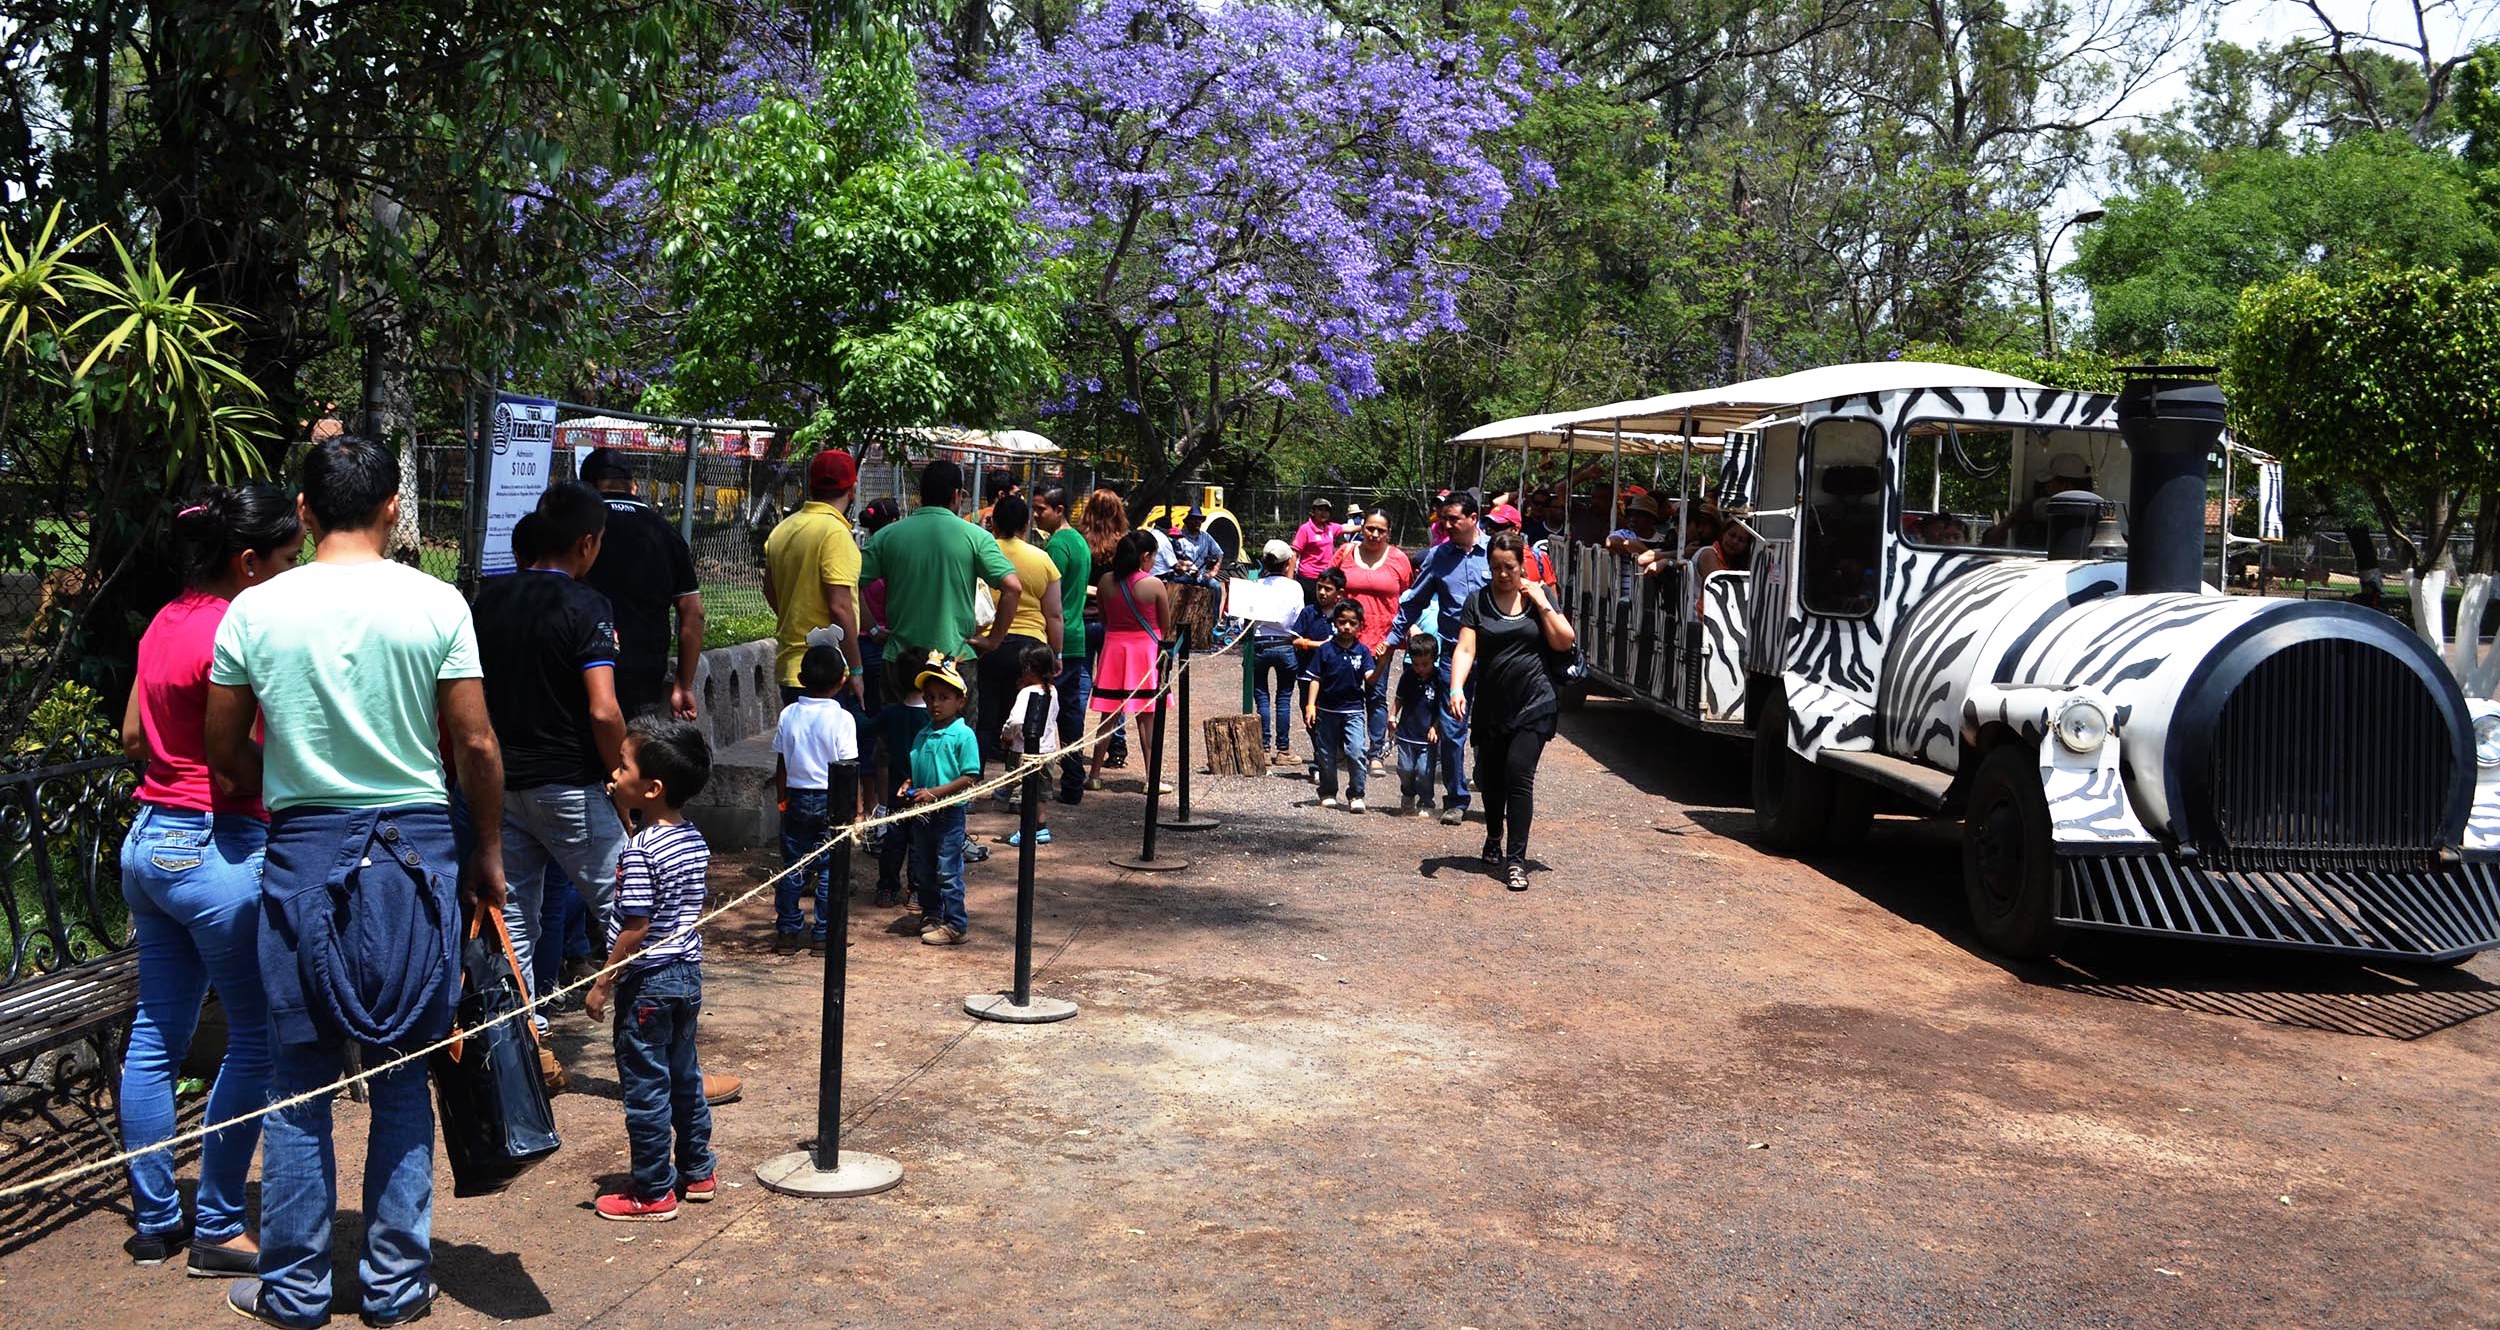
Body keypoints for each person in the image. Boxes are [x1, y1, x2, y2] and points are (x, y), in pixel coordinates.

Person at [206, 436, 506, 1330]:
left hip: (303, 851)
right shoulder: (437, 603)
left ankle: (295, 1292)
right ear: (392, 510)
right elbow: (478, 746)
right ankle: (395, 1285)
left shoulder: (254, 613)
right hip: (416, 855)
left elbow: (222, 752)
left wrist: (293, 787)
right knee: (406, 1075)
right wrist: (485, 853)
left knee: (298, 1084)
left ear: (301, 510)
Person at [115, 484, 300, 1275]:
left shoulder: (164, 620)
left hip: (148, 844)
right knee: (256, 1039)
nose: (296, 572)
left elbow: (130, 734)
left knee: (157, 1037)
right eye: (289, 559)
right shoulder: (241, 628)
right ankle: (220, 1225)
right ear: (248, 561)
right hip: (218, 846)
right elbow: (247, 750)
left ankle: (157, 1220)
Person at [472, 483, 626, 1090]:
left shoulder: (486, 602)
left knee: (515, 923)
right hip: (571, 786)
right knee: (633, 909)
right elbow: (604, 710)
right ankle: (657, 1062)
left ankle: (528, 1054)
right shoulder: (588, 607)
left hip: (499, 787)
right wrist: (618, 777)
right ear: (587, 543)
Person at [583, 717, 718, 1222]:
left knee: (645, 1087)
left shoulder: (641, 849)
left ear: (652, 788)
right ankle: (698, 1170)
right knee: (684, 1075)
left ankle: (653, 1191)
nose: (614, 775)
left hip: (648, 985)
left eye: (623, 766)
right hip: (687, 976)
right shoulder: (692, 838)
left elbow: (636, 925)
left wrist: (603, 980)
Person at [1449, 530, 1578, 892]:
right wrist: (1456, 687)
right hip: (1492, 704)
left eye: (1509, 567)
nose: (1503, 574)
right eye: (1495, 567)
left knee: (1519, 775)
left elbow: (1565, 640)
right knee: (1491, 779)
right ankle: (1493, 834)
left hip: (1535, 701)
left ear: (1522, 565)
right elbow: (1465, 649)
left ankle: (1516, 860)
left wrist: (1542, 601)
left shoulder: (1538, 596)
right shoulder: (1478, 601)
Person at [857, 459, 1022, 685]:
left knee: (900, 720)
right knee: (954, 722)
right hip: (954, 660)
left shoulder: (887, 537)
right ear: (956, 494)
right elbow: (1013, 587)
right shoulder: (976, 537)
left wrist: (873, 629)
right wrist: (993, 640)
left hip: (901, 659)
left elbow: (851, 583)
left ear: (922, 493)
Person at [1388, 489, 1492, 826]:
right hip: (1451, 657)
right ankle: (1457, 799)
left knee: (1492, 728)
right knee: (1452, 729)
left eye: (1453, 519)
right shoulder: (1437, 557)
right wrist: (1391, 639)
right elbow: (1413, 601)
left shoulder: (1496, 553)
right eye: (1443, 518)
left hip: (1493, 657)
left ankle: (1493, 793)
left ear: (1473, 518)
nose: (1445, 524)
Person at [580, 448, 703, 720]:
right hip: (645, 665)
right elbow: (693, 612)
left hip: (584, 662)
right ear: (632, 485)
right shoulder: (665, 532)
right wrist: (683, 684)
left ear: (586, 486)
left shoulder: (580, 528)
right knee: (634, 751)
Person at [771, 643, 858, 953]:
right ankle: (825, 933)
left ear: (800, 678)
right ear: (842, 681)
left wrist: (782, 799)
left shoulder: (788, 713)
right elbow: (847, 769)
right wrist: (855, 810)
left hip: (795, 796)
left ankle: (787, 932)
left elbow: (781, 763)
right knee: (829, 868)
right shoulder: (843, 719)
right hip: (831, 799)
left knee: (793, 866)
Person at [762, 450, 864, 706]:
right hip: (828, 672)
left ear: (810, 485)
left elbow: (769, 590)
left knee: (794, 744)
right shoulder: (835, 534)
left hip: (791, 667)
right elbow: (840, 608)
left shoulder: (782, 529)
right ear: (852, 490)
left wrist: (796, 617)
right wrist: (856, 669)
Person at [899, 654, 980, 945]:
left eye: (944, 697)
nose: (935, 703)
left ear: (960, 701)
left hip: (948, 814)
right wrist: (909, 783)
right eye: (930, 697)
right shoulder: (923, 733)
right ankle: (932, 915)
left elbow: (970, 776)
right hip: (923, 813)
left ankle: (956, 923)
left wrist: (935, 793)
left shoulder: (963, 734)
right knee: (923, 868)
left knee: (948, 869)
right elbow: (916, 767)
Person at [979, 494, 1063, 772]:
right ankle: (1021, 788)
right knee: (1028, 721)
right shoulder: (1042, 559)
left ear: (995, 523)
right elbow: (1053, 613)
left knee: (985, 718)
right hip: (1030, 648)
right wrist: (1057, 652)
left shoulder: (983, 551)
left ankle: (971, 785)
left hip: (987, 644)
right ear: (1026, 525)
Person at [1087, 530, 1172, 792]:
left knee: (1107, 716)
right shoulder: (1153, 585)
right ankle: (1152, 778)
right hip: (1145, 653)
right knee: (1147, 718)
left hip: (1114, 650)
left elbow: (1104, 616)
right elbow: (1165, 625)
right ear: (1145, 556)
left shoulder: (1105, 581)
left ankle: (1094, 774)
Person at [1334, 509, 1411, 773]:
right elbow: (1330, 587)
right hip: (1346, 638)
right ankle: (1342, 748)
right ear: (1362, 528)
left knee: (1376, 696)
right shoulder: (1345, 553)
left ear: (1388, 532)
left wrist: (1400, 635)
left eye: (1380, 530)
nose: (1374, 534)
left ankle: (1375, 752)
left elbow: (1407, 599)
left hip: (1381, 639)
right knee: (1341, 692)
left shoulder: (1399, 559)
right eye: (1370, 528)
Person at [1033, 485, 1093, 803]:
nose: (1036, 515)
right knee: (1070, 711)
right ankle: (1072, 781)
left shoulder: (1057, 545)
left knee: (1043, 712)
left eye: (1041, 509)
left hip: (1058, 636)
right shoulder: (1080, 542)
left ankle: (1041, 783)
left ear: (1059, 510)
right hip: (1076, 634)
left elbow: (1049, 596)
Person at [1300, 599, 1377, 811]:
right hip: (1326, 710)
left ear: (1360, 625)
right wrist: (1310, 706)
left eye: (1352, 623)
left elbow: (1370, 678)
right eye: (1342, 621)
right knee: (1326, 754)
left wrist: (1385, 659)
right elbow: (1315, 678)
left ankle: (1356, 793)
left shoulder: (1363, 652)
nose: (1347, 627)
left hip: (1353, 710)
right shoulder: (1325, 649)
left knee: (1356, 750)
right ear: (1335, 622)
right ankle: (1327, 791)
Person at [1076, 489, 1132, 769]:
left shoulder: (1080, 541)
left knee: (1081, 683)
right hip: (1112, 621)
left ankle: (1072, 740)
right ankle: (1116, 744)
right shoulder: (1124, 544)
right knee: (1114, 689)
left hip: (1082, 618)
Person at [1000, 642, 1061, 846]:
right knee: (1041, 793)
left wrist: (1007, 735)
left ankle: (1026, 831)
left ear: (1028, 669)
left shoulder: (1026, 694)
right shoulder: (1052, 691)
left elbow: (1016, 720)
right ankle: (1041, 828)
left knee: (1025, 794)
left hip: (1025, 753)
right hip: (1047, 751)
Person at [1249, 540, 1303, 763]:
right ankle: (1283, 749)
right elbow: (1298, 615)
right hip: (1285, 642)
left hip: (1260, 642)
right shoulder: (1294, 587)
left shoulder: (1255, 584)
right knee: (1284, 697)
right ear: (1287, 562)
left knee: (1261, 696)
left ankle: (1263, 747)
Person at [1388, 633, 1442, 816]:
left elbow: (1443, 707)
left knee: (1424, 771)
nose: (1420, 669)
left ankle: (1426, 801)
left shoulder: (1439, 679)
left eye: (1425, 664)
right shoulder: (1408, 676)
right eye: (1416, 664)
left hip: (1427, 735)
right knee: (1405, 769)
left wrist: (1436, 726)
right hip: (1406, 733)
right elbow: (1399, 699)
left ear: (1434, 659)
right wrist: (1392, 716)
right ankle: (1408, 793)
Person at [1688, 521, 1757, 613]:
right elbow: (1720, 591)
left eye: (1741, 540)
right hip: (1698, 619)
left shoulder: (1733, 563)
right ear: (1723, 534)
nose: (1734, 541)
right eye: (1732, 535)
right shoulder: (1708, 553)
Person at [1291, 497, 1340, 603]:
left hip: (1325, 578)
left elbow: (1347, 528)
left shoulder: (1330, 528)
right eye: (1320, 509)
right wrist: (1289, 581)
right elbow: (1295, 555)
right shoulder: (1305, 529)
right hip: (1308, 578)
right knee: (1308, 609)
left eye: (1326, 510)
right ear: (1313, 511)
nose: (1323, 513)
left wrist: (1365, 527)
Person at [1171, 506, 1223, 581]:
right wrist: (1186, 566)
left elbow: (1219, 554)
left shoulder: (1206, 537)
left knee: (1216, 587)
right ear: (1188, 521)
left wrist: (1213, 571)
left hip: (1202, 576)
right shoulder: (1180, 538)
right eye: (1194, 519)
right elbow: (1173, 560)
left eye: (1199, 519)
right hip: (1185, 575)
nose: (1197, 522)